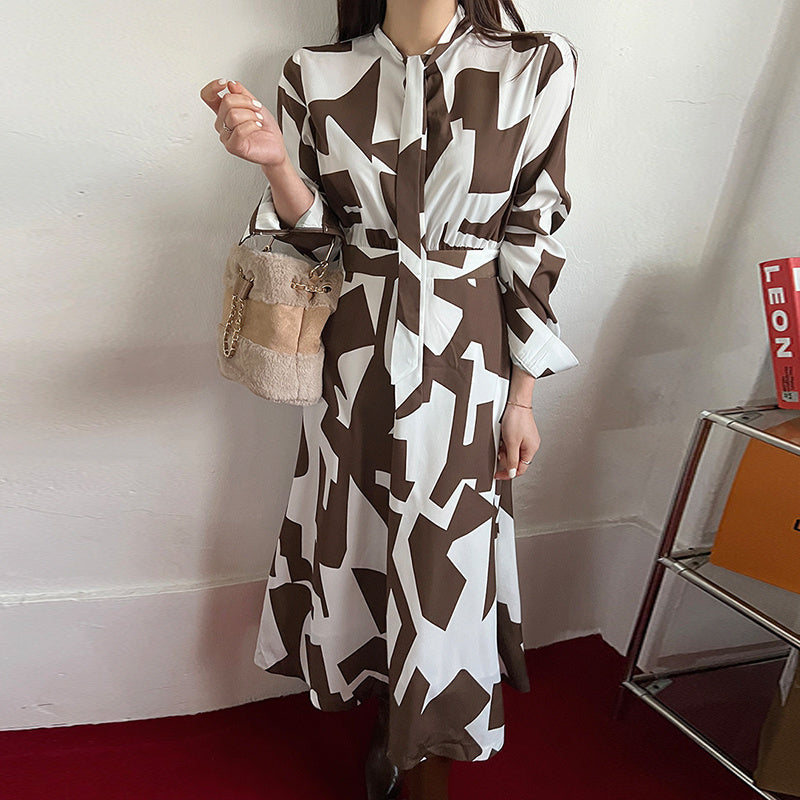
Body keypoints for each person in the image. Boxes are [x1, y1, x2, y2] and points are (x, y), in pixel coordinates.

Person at [200, 2, 579, 798]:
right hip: (356, 350)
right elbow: (317, 243)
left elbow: (534, 235)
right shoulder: (315, 72)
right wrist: (276, 164)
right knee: (360, 534)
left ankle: (425, 743)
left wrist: (523, 398)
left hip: (469, 355)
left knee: (446, 549)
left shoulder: (533, 65)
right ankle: (385, 713)